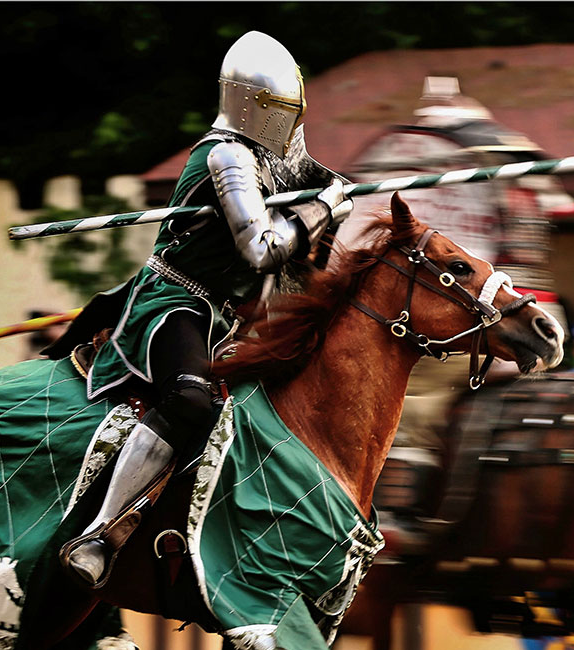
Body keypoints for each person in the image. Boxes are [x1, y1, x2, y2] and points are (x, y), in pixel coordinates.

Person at [50, 31, 353, 590]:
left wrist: (327, 201)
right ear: (254, 107)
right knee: (190, 398)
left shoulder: (271, 160)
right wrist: (320, 207)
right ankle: (98, 533)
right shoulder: (228, 156)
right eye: (282, 112)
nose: (289, 125)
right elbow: (261, 250)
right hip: (176, 301)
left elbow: (308, 253)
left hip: (227, 313)